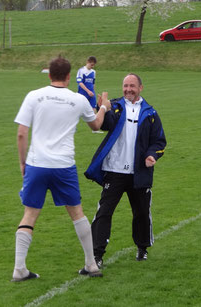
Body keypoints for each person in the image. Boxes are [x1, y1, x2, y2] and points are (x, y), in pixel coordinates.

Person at [12, 56, 110, 282]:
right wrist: (103, 106)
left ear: (49, 75)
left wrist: (22, 163)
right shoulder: (78, 100)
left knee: (30, 213)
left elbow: (21, 133)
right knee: (76, 212)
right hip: (63, 166)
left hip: (37, 165)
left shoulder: (33, 96)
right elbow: (96, 125)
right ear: (68, 76)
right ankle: (91, 264)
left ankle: (19, 269)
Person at [84, 73, 167, 268]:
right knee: (104, 212)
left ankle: (142, 248)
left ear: (140, 88)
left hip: (139, 173)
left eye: (132, 86)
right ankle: (97, 255)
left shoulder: (150, 113)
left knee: (141, 213)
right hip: (114, 171)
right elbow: (104, 124)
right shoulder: (116, 106)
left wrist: (152, 155)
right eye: (125, 86)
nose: (128, 89)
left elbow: (159, 141)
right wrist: (101, 108)